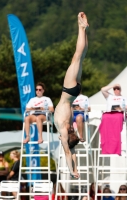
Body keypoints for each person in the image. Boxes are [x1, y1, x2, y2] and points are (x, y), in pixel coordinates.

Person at [54, 11, 89, 179]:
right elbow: (70, 154)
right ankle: (81, 27)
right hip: (68, 91)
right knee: (76, 57)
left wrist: (74, 170)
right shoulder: (63, 130)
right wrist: (72, 170)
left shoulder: (66, 132)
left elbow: (71, 153)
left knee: (81, 57)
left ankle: (83, 29)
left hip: (74, 93)